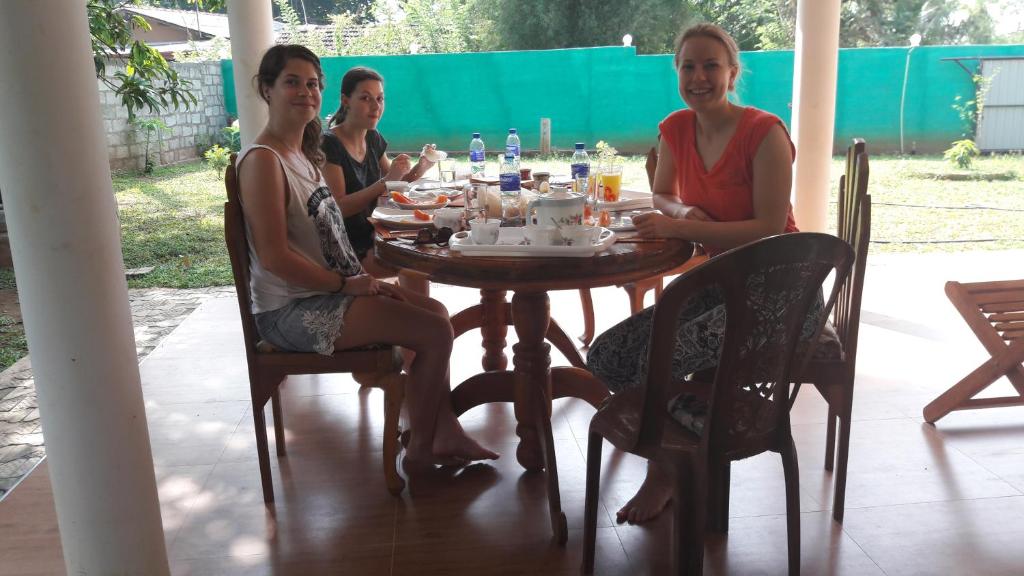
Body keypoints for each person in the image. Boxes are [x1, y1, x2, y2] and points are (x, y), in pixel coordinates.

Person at [586, 23, 814, 524]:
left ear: (732, 72)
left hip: (781, 291)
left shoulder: (764, 132)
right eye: (688, 66)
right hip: (722, 281)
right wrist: (684, 214)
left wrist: (673, 220)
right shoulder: (676, 128)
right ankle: (697, 425)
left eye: (711, 65)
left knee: (658, 359)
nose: (699, 76)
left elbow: (772, 229)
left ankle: (668, 469)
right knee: (606, 355)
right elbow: (663, 192)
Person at [236, 45, 497, 467]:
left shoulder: (300, 155)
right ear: (266, 89)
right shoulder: (264, 161)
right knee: (435, 333)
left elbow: (327, 238)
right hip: (292, 310)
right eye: (292, 82)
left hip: (330, 291)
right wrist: (348, 284)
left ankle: (441, 431)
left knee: (437, 313)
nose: (306, 92)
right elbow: (273, 257)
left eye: (312, 84)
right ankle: (423, 448)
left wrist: (359, 280)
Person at [321, 67, 438, 278]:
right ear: (345, 100)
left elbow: (397, 183)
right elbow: (338, 207)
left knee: (426, 250)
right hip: (348, 247)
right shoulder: (329, 143)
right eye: (366, 98)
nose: (376, 106)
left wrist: (421, 167)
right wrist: (386, 181)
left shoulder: (372, 137)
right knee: (417, 266)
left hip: (378, 235)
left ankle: (411, 307)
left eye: (380, 98)